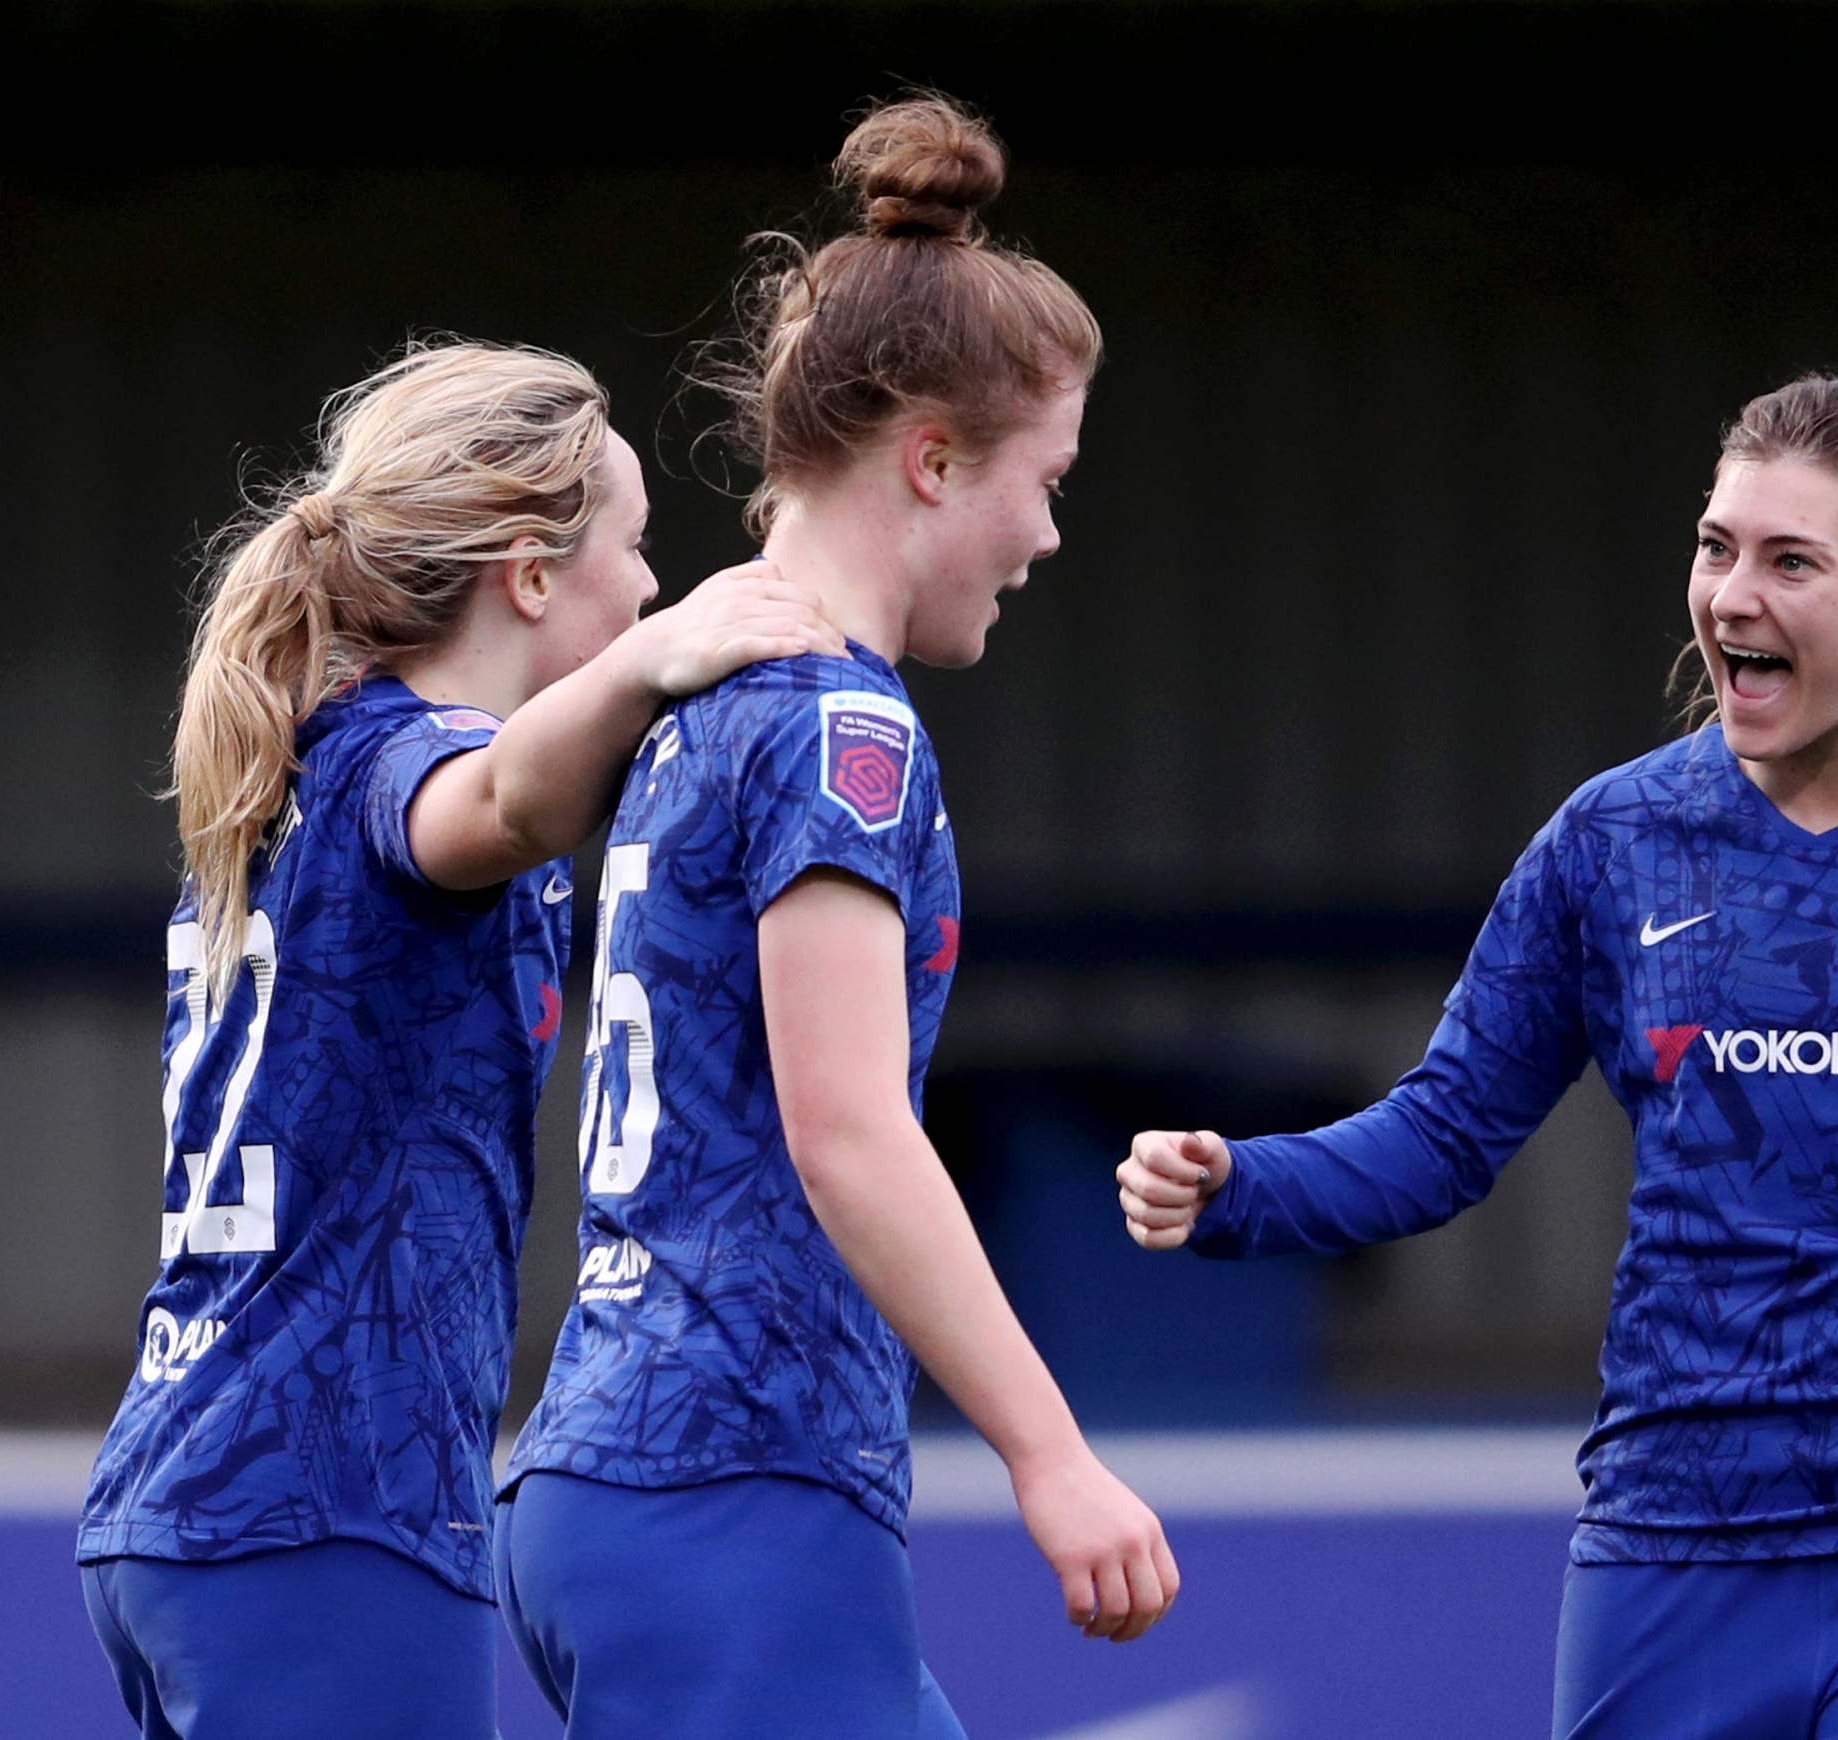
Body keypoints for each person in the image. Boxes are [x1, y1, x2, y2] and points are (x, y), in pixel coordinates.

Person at [1117, 368, 1838, 1738]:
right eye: (1716, 546)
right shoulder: (1617, 841)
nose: (1732, 596)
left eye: (1792, 560)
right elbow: (1440, 1136)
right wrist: (1235, 1190)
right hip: (1676, 1536)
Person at [496, 95, 1178, 1740]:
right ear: (934, 459)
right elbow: (850, 1133)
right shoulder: (836, 729)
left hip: (636, 1475)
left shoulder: (692, 697)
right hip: (731, 1484)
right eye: (1047, 478)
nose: (1049, 534)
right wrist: (1051, 1451)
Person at [77, 338, 841, 1740]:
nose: (653, 589)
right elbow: (499, 808)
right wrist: (655, 666)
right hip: (322, 1507)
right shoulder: (395, 762)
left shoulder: (297, 760)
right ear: (532, 572)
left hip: (194, 1497)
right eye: (636, 546)